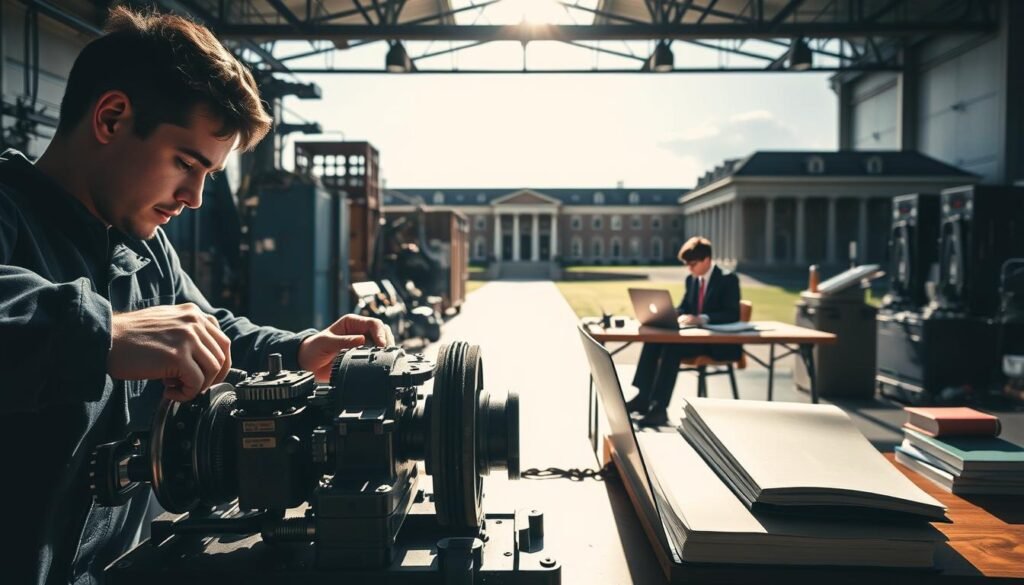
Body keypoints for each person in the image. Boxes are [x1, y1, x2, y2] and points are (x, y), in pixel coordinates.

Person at [0, 8, 392, 585]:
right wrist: (107, 333)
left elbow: (211, 328)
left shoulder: (145, 247)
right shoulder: (11, 216)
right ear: (111, 118)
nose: (195, 197)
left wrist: (304, 349)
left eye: (209, 173)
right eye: (186, 163)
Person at [628, 237, 741, 426]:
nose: (689, 268)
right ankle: (643, 397)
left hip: (717, 343)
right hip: (695, 338)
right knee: (654, 339)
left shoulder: (728, 279)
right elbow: (686, 305)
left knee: (672, 347)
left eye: (693, 264)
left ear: (707, 260)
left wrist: (703, 318)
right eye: (687, 265)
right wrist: (674, 312)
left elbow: (732, 313)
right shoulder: (692, 280)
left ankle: (659, 408)